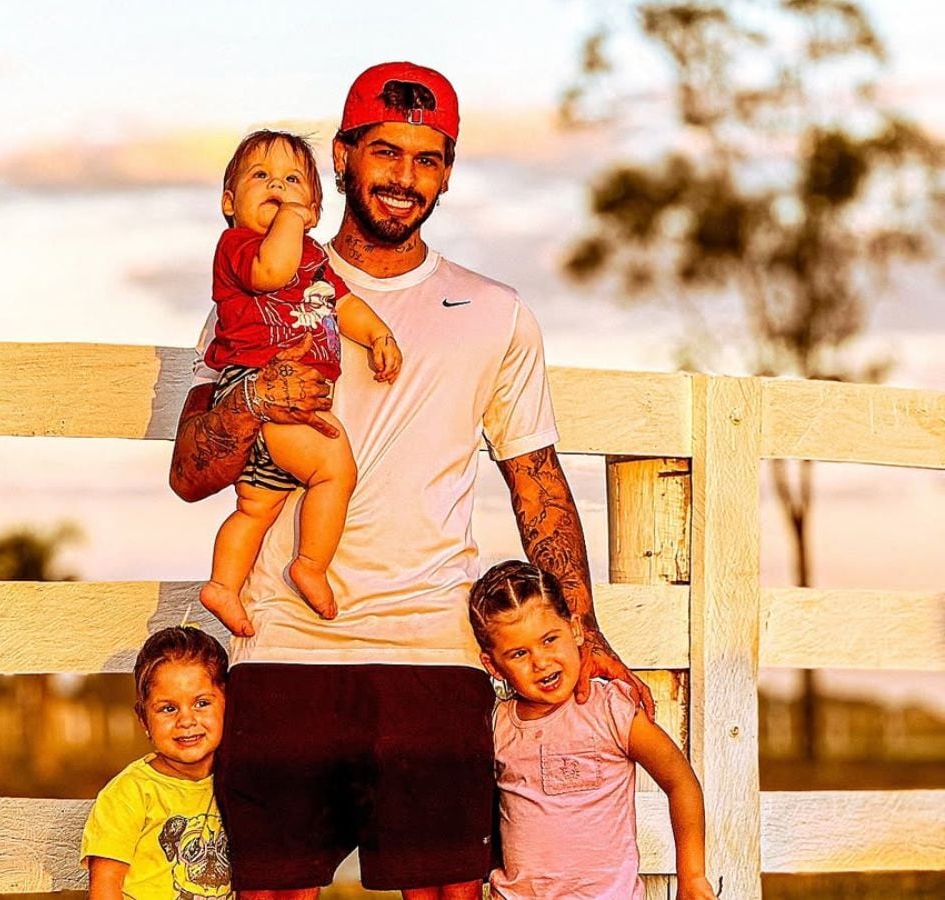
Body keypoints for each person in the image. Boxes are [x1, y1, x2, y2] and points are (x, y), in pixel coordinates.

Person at [169, 61, 654, 899]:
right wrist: (252, 398)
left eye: (427, 159)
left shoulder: (496, 311)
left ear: (448, 173)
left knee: (449, 892)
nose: (404, 177)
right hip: (282, 646)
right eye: (385, 152)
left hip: (434, 651)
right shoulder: (257, 294)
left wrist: (583, 629)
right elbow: (189, 472)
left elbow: (534, 478)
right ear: (344, 158)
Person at [201, 130, 402, 638]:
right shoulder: (237, 246)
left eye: (293, 181)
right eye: (261, 176)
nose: (278, 186)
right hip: (259, 391)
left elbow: (343, 304)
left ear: (315, 209)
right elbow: (271, 272)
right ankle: (310, 564)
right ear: (230, 203)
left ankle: (223, 585)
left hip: (275, 409)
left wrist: (378, 334)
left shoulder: (314, 262)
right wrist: (291, 220)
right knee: (335, 470)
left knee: (256, 507)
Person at [469, 560, 715, 900]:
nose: (541, 662)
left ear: (575, 629)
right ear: (493, 666)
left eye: (549, 639)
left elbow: (680, 780)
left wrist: (692, 877)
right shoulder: (498, 725)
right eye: (519, 653)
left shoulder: (610, 710)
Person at [80, 627, 233, 900]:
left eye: (201, 703)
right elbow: (105, 886)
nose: (186, 721)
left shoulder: (238, 782)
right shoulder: (129, 794)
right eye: (168, 708)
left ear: (228, 703)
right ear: (143, 719)